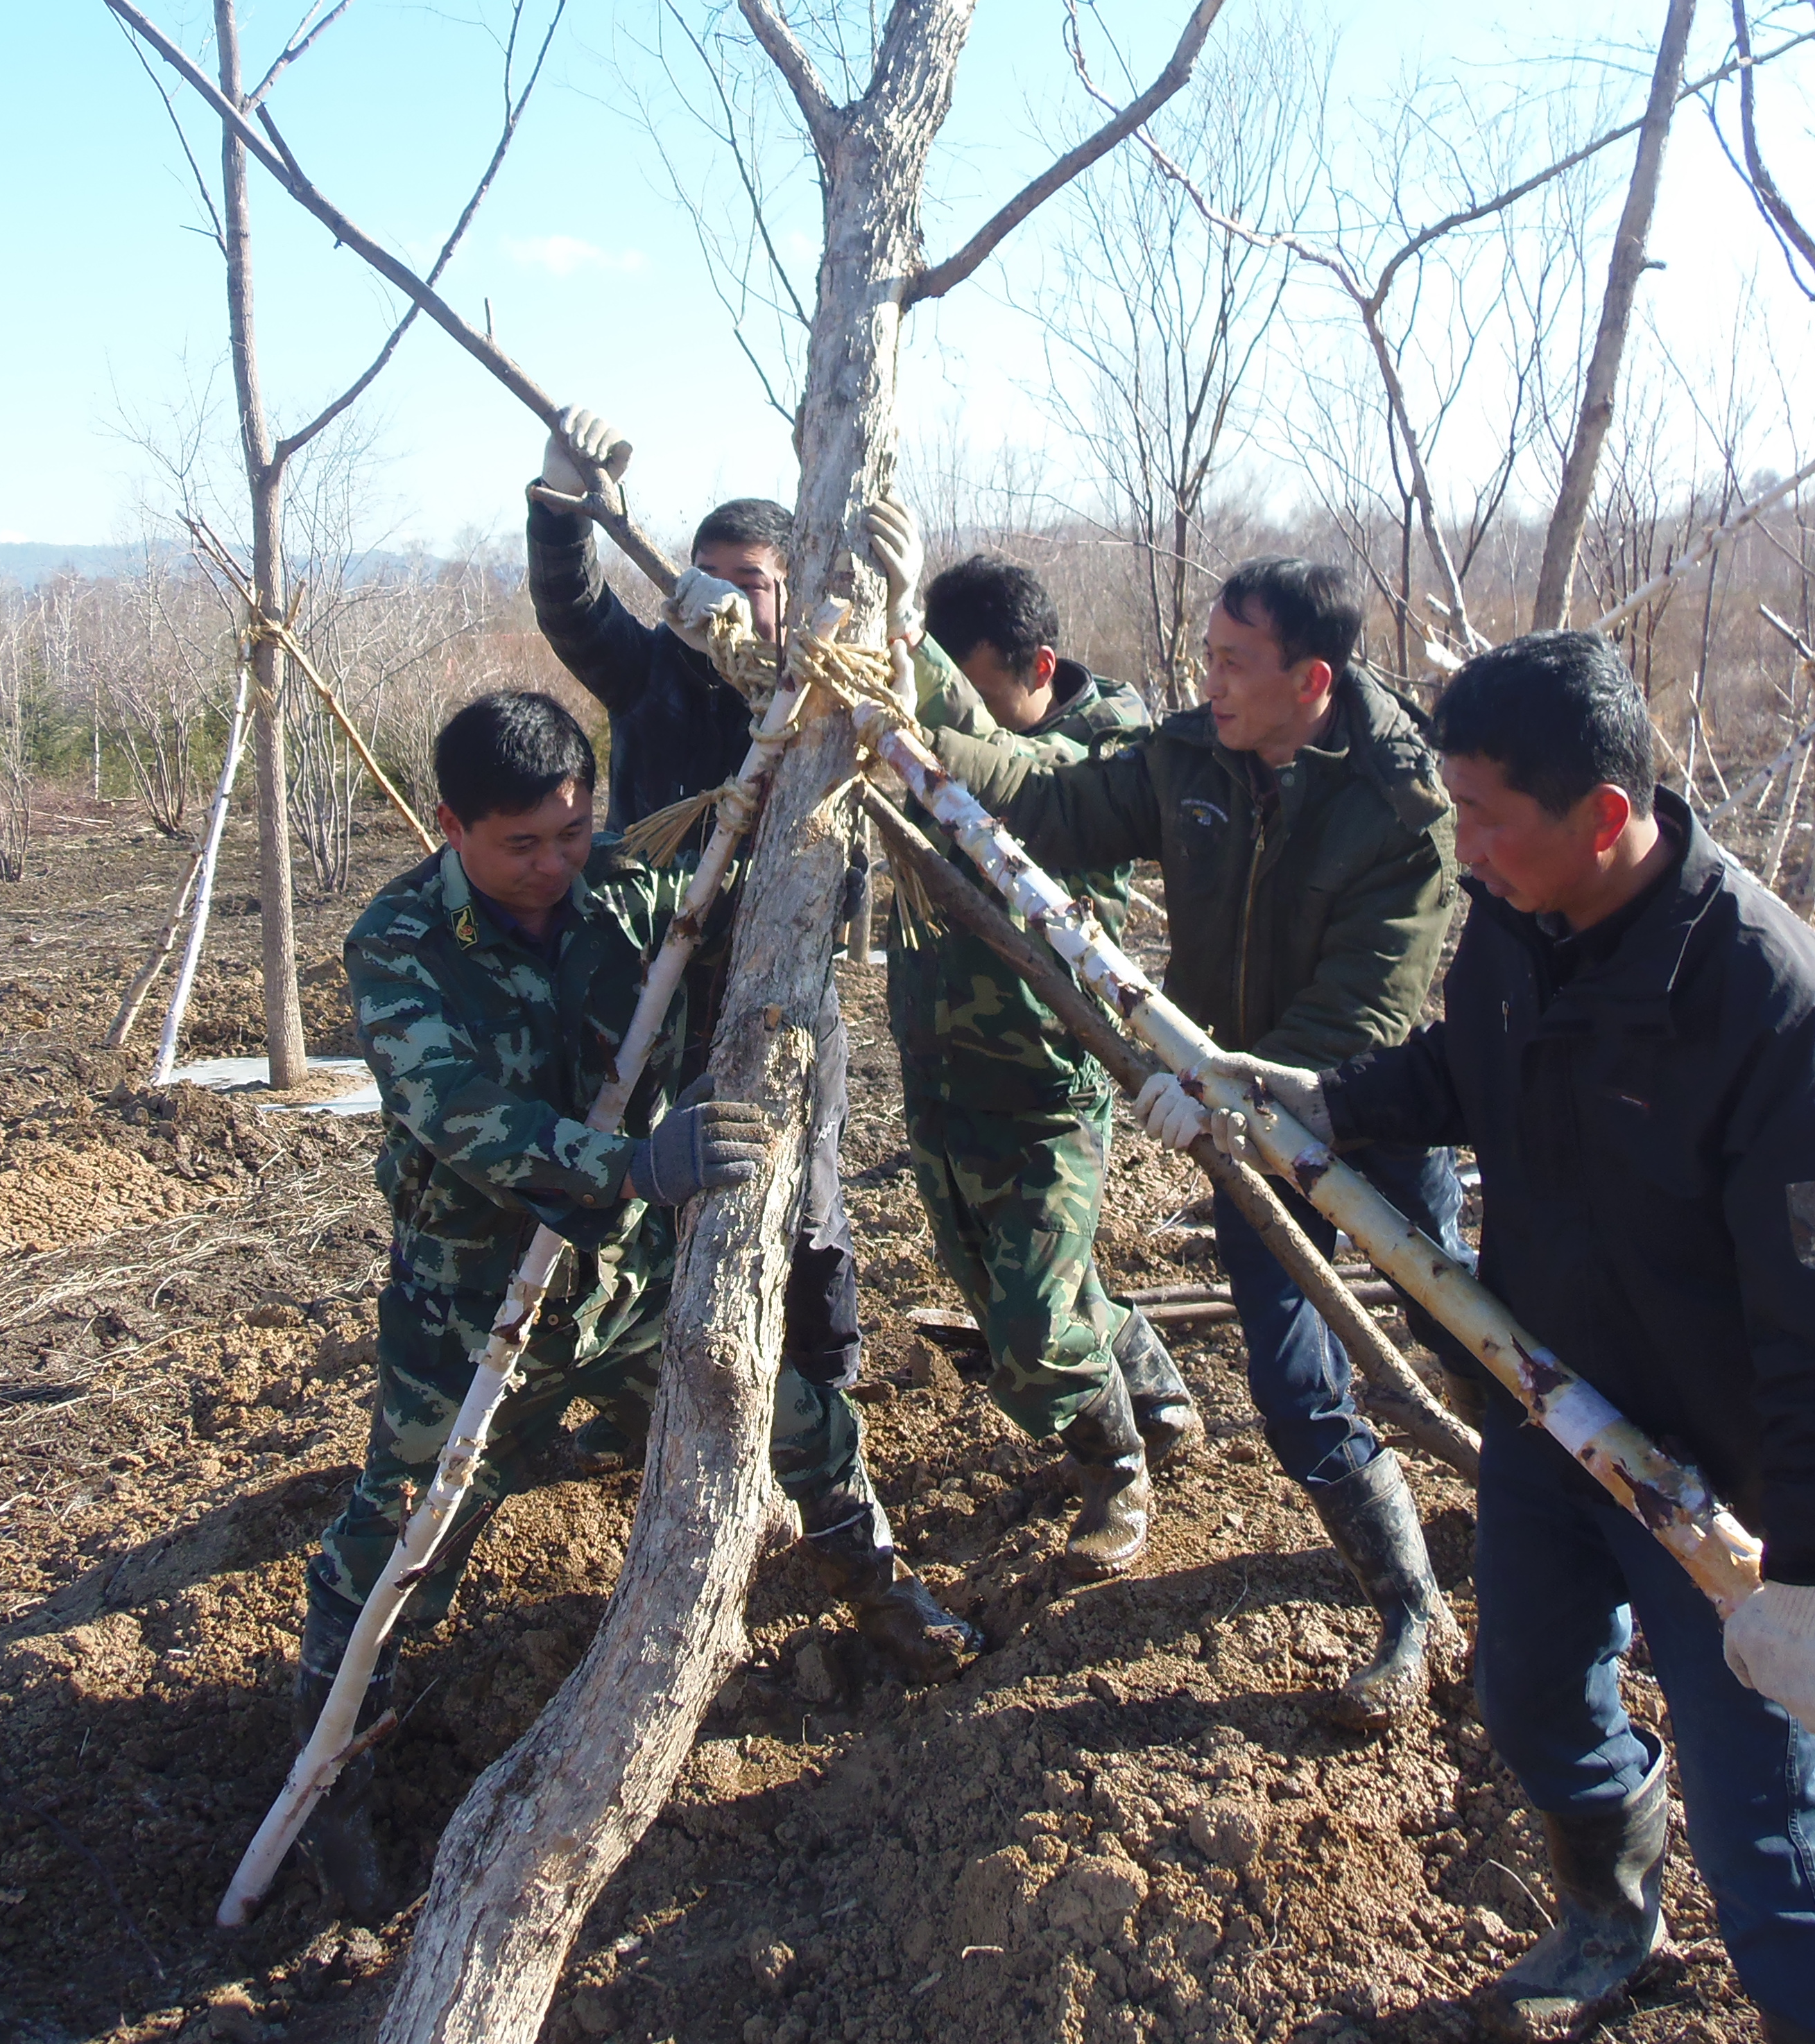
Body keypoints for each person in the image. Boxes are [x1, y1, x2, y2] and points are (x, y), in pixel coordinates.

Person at [1205, 631, 1815, 2044]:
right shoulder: (1518, 919)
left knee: (1777, 1855)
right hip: (1553, 1418)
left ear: (1603, 816)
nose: (1457, 847)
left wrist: (1807, 1571)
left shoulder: (1767, 1008)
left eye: (1484, 817)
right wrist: (1325, 1103)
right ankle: (1610, 1910)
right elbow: (1473, 1067)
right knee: (1531, 1695)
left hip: (1714, 1496)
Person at [299, 691, 979, 1914]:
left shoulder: (635, 895)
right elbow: (448, 1108)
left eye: (571, 832)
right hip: (473, 1303)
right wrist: (624, 1165)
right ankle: (331, 1769)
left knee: (798, 1415)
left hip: (626, 1284)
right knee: (409, 1530)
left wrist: (808, 846)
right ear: (452, 825)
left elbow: (768, 952)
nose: (554, 865)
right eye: (523, 845)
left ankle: (877, 1584)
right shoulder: (399, 941)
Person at [922, 558, 1470, 1729]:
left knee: (1463, 1332)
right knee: (1291, 1384)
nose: (1206, 678)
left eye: (1232, 662)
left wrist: (1227, 1087)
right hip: (1233, 1124)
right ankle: (1410, 1604)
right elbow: (1057, 802)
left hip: (1369, 1111)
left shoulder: (1404, 801)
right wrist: (910, 738)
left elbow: (1363, 1016)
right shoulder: (1197, 756)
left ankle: (1536, 1506)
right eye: (1208, 655)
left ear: (1310, 679)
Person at [524, 409, 975, 1679]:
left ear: (797, 595)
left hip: (789, 998)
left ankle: (824, 1389)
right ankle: (648, 1408)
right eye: (709, 580)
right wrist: (562, 508)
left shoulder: (828, 686)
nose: (729, 602)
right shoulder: (655, 674)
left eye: (756, 584)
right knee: (666, 1194)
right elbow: (573, 613)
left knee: (811, 1201)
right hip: (659, 990)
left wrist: (900, 601)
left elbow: (926, 724)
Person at [895, 553, 1198, 1572]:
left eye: (981, 690)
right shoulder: (970, 716)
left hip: (1044, 1079)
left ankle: (1116, 1471)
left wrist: (918, 718)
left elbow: (1029, 786)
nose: (971, 710)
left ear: (1041, 666)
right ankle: (1155, 1391)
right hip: (941, 1068)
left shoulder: (1112, 741)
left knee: (1033, 1327)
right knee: (1002, 1287)